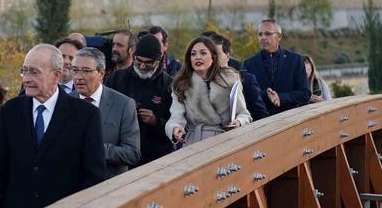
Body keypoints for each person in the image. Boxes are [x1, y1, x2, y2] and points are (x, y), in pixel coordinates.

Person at [0, 44, 105, 208]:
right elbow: (0, 173)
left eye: (34, 72)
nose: (26, 79)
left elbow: (93, 177)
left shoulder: (85, 115)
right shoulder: (11, 111)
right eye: (24, 71)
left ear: (56, 75)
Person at [165, 36, 251, 147]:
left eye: (203, 53)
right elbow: (176, 118)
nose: (197, 57)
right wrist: (175, 129)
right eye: (193, 54)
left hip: (225, 142)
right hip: (194, 143)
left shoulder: (230, 80)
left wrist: (238, 122)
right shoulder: (181, 84)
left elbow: (244, 114)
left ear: (213, 57)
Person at [105, 34, 174, 166]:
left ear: (159, 61)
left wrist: (155, 121)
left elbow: (177, 125)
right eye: (139, 61)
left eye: (148, 64)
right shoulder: (117, 78)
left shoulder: (168, 85)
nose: (142, 67)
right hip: (120, 154)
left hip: (155, 157)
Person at [72, 47, 140, 178]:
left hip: (108, 188)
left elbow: (132, 153)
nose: (78, 77)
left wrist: (95, 149)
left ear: (101, 74)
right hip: (71, 189)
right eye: (75, 70)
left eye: (86, 71)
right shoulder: (64, 102)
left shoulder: (124, 105)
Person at [242, 18, 311, 115]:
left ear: (279, 36)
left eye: (268, 34)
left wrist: (281, 98)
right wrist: (266, 95)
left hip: (290, 119)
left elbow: (305, 93)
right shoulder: (249, 63)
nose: (263, 38)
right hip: (260, 122)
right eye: (260, 34)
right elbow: (245, 96)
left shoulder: (295, 60)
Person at [202, 29, 270, 121]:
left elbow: (261, 117)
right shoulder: (196, 80)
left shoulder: (246, 80)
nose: (211, 58)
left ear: (227, 56)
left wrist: (241, 123)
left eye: (216, 54)